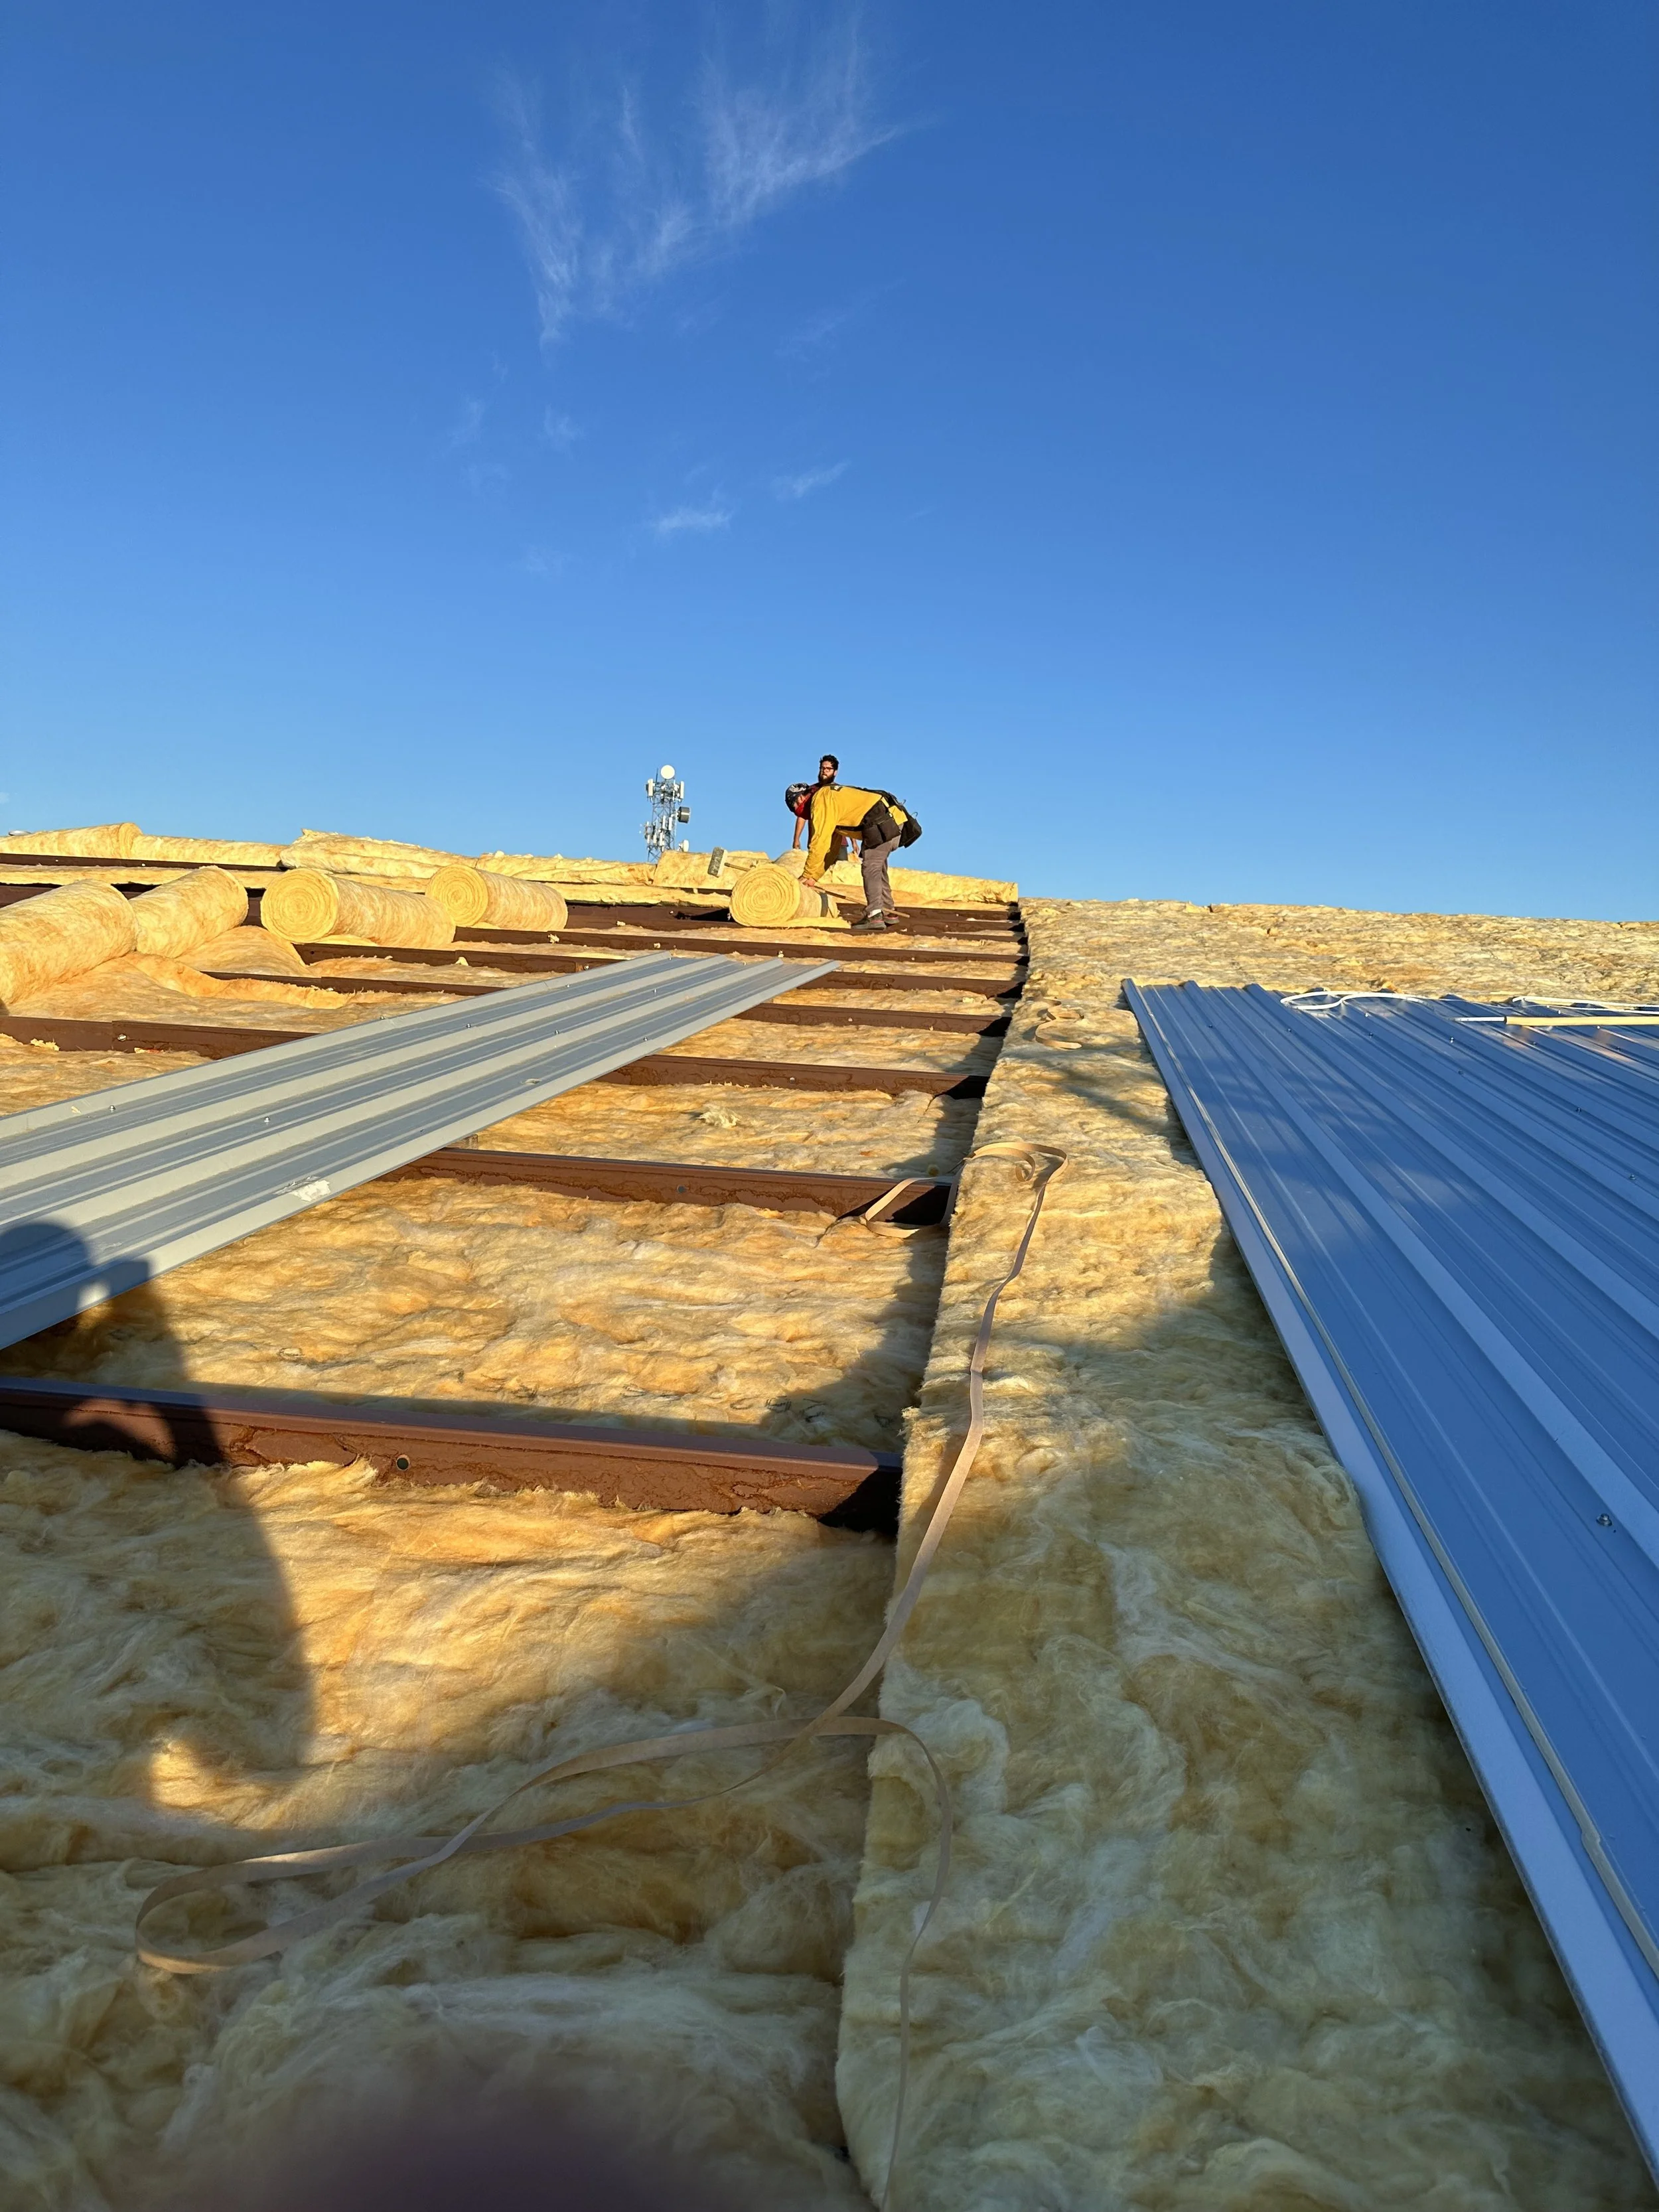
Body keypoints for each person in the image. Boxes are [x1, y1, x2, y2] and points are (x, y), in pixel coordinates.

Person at [787, 779, 916, 931]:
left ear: (800, 798)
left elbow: (819, 842)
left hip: (883, 821)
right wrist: (813, 877)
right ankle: (888, 911)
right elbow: (831, 850)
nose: (796, 811)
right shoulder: (829, 800)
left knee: (871, 867)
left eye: (793, 807)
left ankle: (875, 915)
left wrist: (807, 874)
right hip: (893, 820)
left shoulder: (821, 800)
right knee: (878, 867)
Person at [790, 755, 841, 851]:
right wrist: (796, 839)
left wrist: (854, 842)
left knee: (842, 866)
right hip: (816, 841)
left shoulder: (840, 791)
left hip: (838, 841)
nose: (824, 771)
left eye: (828, 769)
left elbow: (848, 815)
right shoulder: (812, 790)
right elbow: (802, 814)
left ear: (835, 772)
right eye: (822, 768)